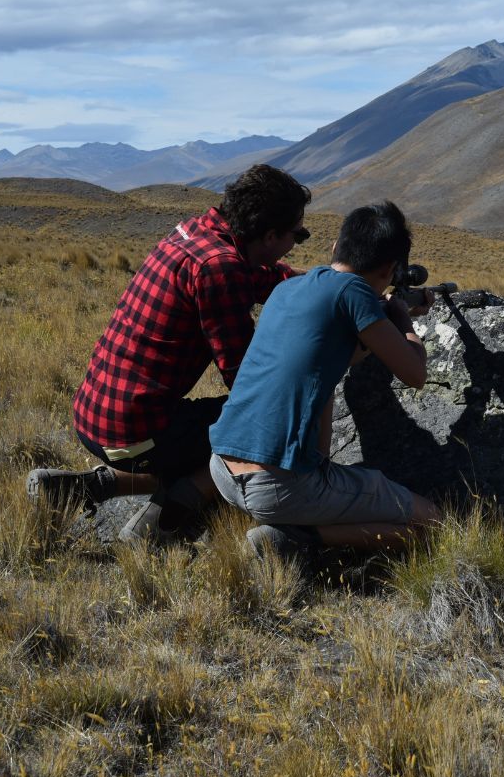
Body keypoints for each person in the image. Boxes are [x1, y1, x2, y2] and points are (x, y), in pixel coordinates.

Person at [26, 164, 310, 542]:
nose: (297, 242)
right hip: (134, 431)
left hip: (96, 415)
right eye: (298, 235)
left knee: (200, 428)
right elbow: (245, 380)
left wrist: (330, 286)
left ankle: (88, 488)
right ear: (271, 235)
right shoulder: (219, 267)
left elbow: (261, 277)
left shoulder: (197, 235)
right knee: (259, 426)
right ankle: (162, 521)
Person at [206, 200, 443, 563]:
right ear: (391, 270)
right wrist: (402, 318)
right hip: (275, 486)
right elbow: (415, 374)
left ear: (336, 248)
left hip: (222, 468)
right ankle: (294, 540)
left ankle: (298, 514)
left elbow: (329, 364)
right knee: (433, 525)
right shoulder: (355, 293)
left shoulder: (290, 288)